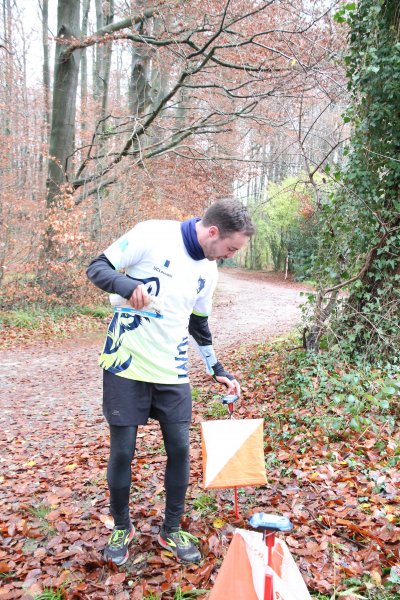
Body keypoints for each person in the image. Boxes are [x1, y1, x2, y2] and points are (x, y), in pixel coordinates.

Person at [86, 198, 255, 566]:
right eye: (230, 248)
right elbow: (97, 267)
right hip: (125, 362)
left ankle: (171, 529)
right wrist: (126, 285)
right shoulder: (152, 234)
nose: (229, 256)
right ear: (213, 232)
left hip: (172, 371)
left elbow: (198, 323)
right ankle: (122, 527)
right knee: (123, 451)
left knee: (179, 449)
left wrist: (216, 367)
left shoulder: (209, 271)